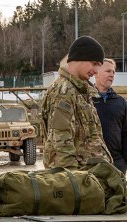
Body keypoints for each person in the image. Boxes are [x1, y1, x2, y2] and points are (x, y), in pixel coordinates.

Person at [41, 35, 111, 169]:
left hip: (87, 177)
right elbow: (61, 146)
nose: (96, 70)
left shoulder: (80, 91)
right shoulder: (64, 92)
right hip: (76, 179)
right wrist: (75, 184)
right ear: (80, 58)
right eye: (94, 63)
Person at [93, 58, 127, 174]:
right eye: (108, 71)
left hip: (116, 163)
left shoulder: (120, 102)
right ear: (96, 73)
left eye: (113, 72)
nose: (112, 75)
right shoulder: (85, 99)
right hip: (92, 163)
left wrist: (125, 160)